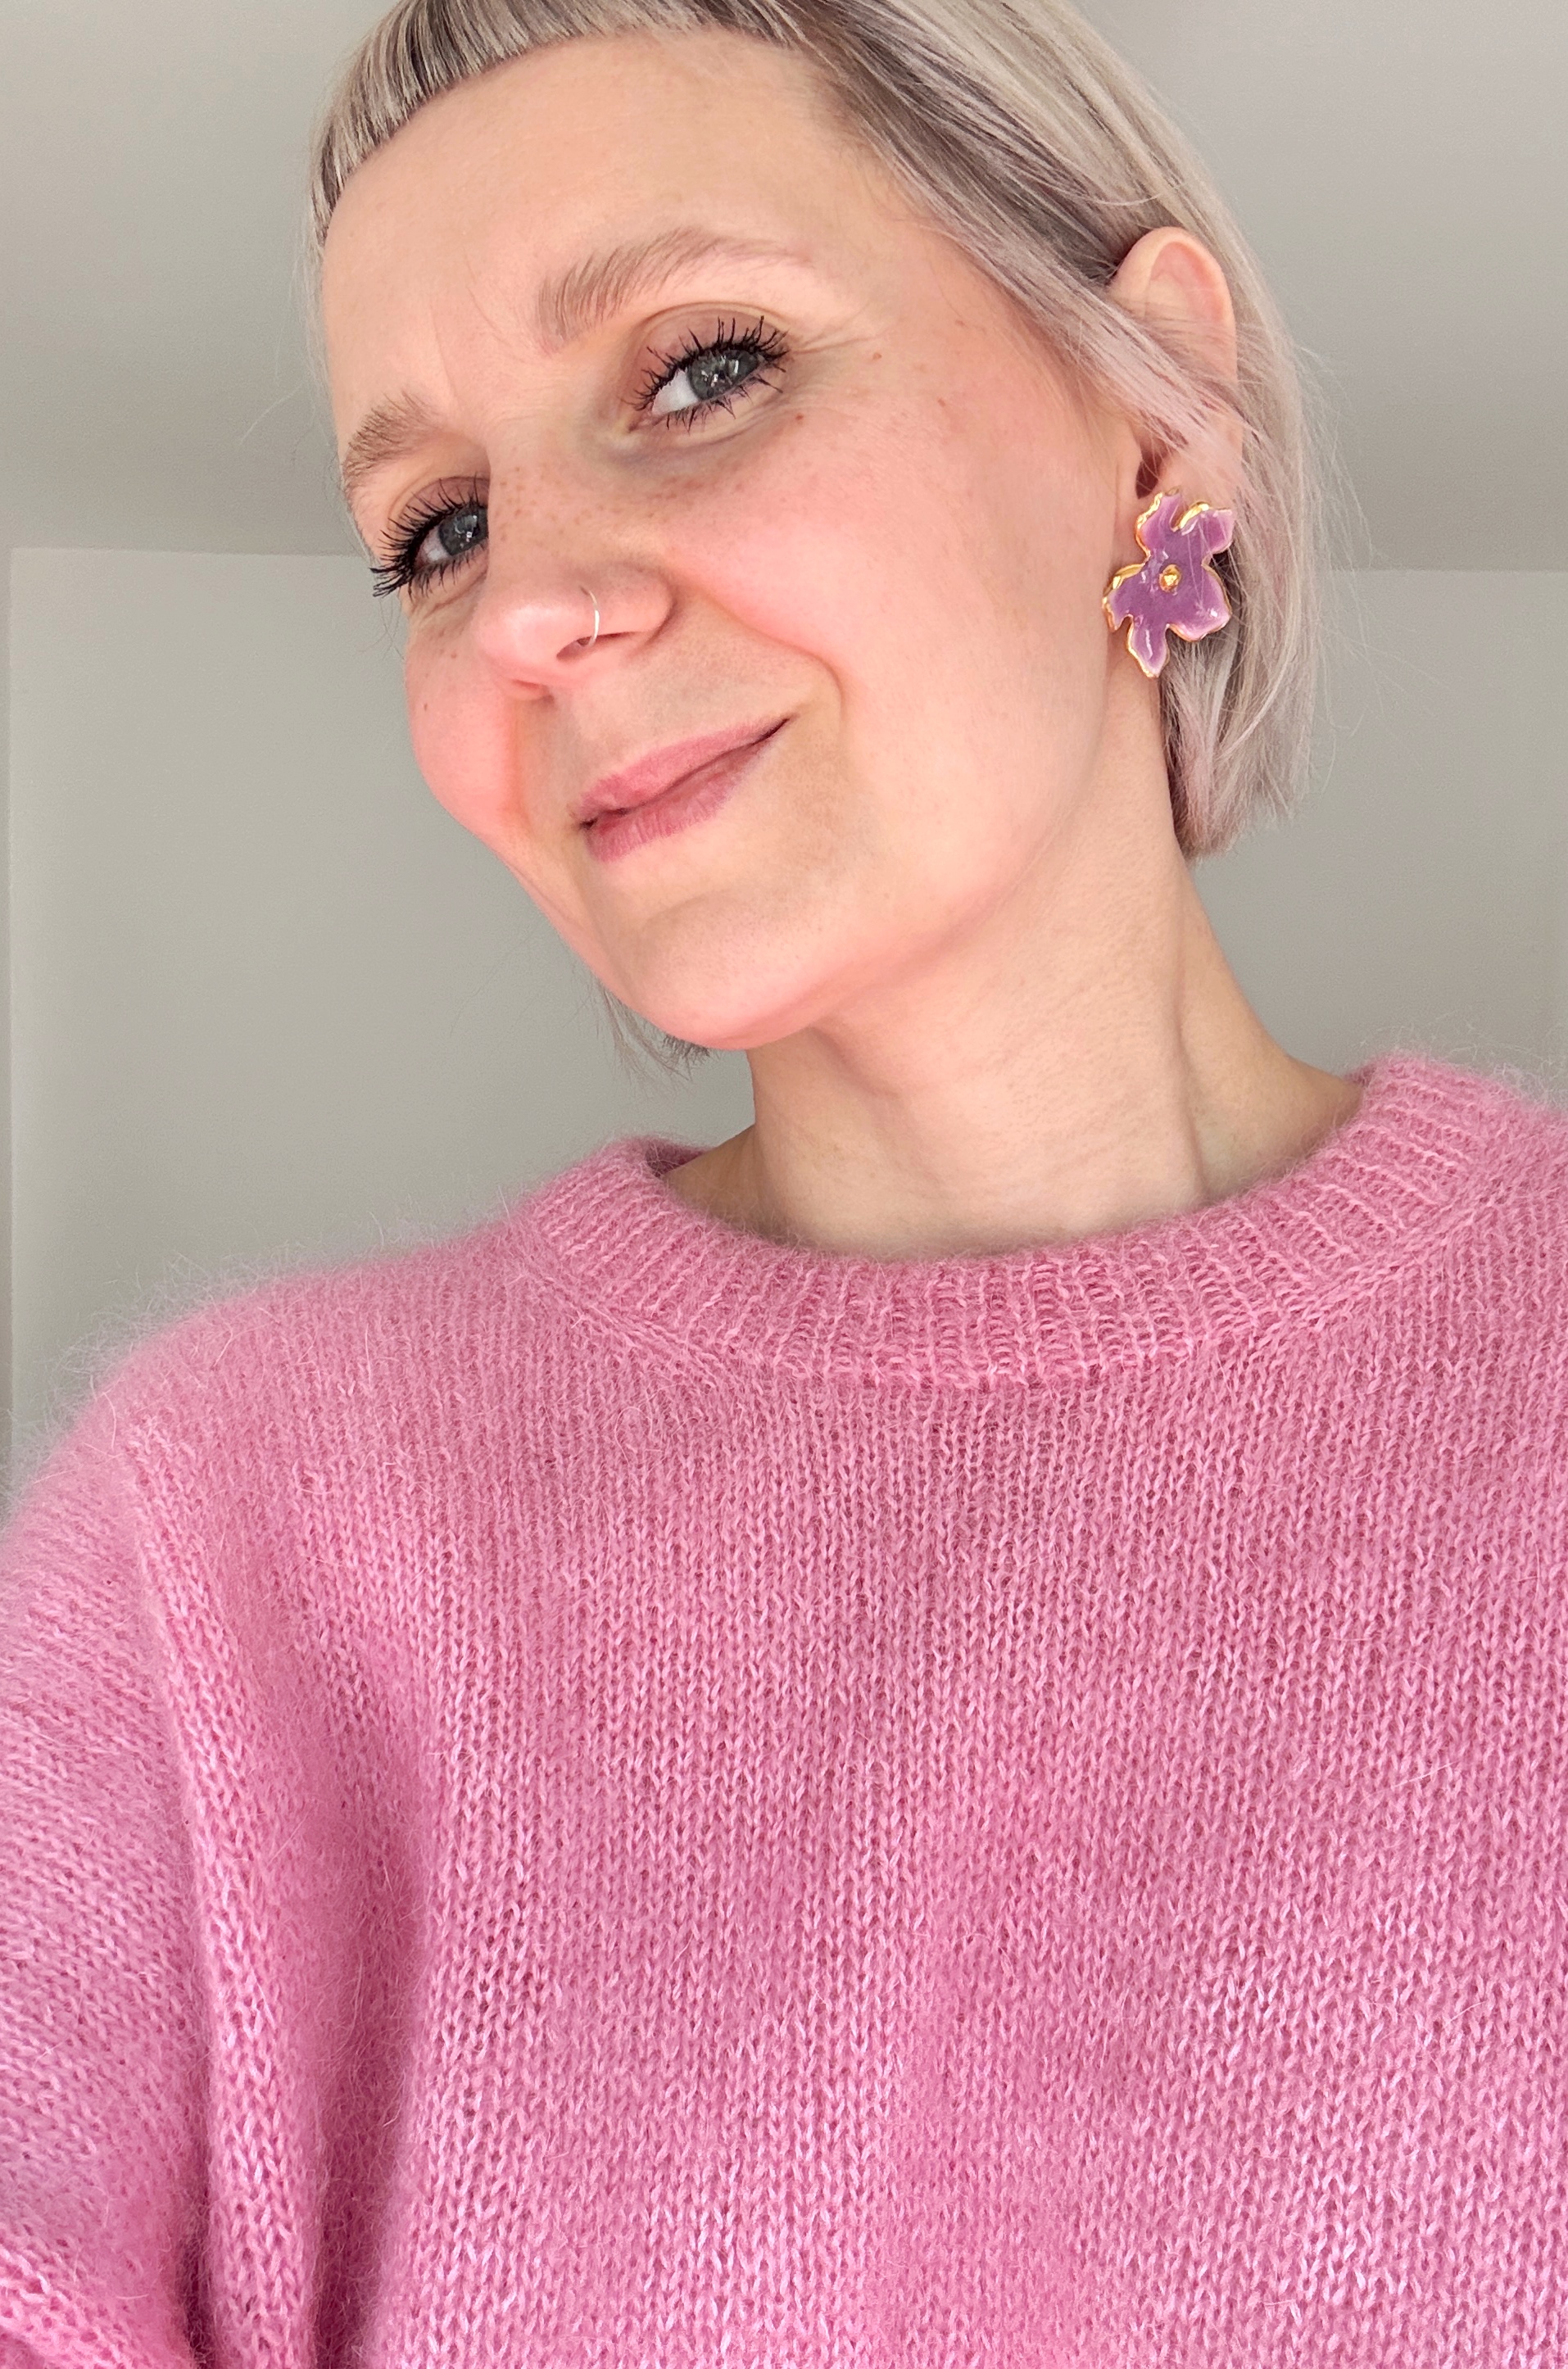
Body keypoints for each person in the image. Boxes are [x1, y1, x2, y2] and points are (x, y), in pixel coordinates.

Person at [2, 0, 1566, 2360]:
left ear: (1155, 414)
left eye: (702, 369)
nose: (531, 606)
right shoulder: (221, 1544)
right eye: (437, 529)